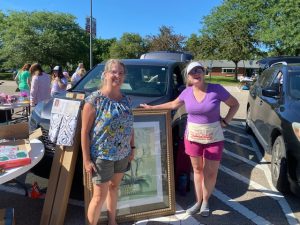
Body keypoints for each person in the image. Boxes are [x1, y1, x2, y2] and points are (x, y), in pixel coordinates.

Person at [140, 61, 239, 217]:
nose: (197, 73)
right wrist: (152, 108)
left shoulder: (216, 89)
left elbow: (235, 104)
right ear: (189, 76)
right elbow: (173, 104)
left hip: (214, 136)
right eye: (193, 71)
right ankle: (198, 202)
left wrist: (226, 121)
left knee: (211, 172)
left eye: (199, 70)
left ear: (204, 72)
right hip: (193, 136)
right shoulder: (187, 92)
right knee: (197, 170)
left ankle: (206, 201)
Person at [81, 59, 135, 225]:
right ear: (105, 74)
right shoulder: (94, 100)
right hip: (102, 156)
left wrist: (132, 147)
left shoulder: (126, 100)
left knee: (114, 188)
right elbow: (84, 132)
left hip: (122, 154)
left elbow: (130, 126)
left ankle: (112, 221)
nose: (117, 75)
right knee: (98, 197)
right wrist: (86, 159)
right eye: (113, 72)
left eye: (120, 73)